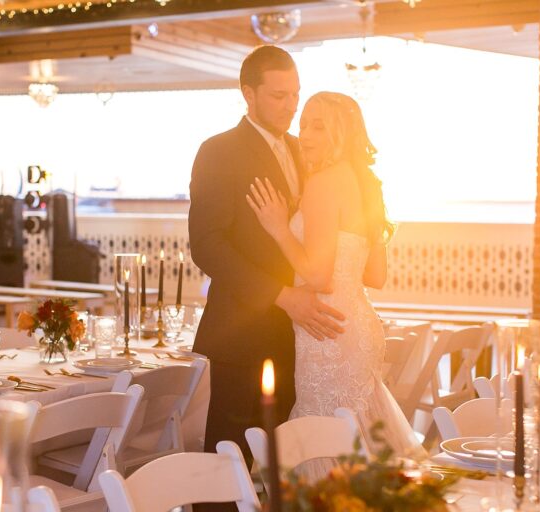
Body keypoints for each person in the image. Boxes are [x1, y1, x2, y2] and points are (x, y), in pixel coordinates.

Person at [188, 45, 346, 496]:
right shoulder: (218, 151)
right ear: (248, 94)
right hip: (244, 332)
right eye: (279, 95)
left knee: (286, 463)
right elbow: (207, 247)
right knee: (228, 463)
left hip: (303, 339)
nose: (292, 106)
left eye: (296, 94)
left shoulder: (306, 151)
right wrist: (282, 294)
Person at [247, 91, 425, 481]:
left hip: (326, 331)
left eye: (318, 125)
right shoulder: (364, 183)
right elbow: (375, 276)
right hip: (356, 327)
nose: (305, 132)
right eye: (303, 123)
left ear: (341, 133)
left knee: (327, 439)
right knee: (356, 435)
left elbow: (318, 276)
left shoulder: (325, 182)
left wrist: (280, 228)